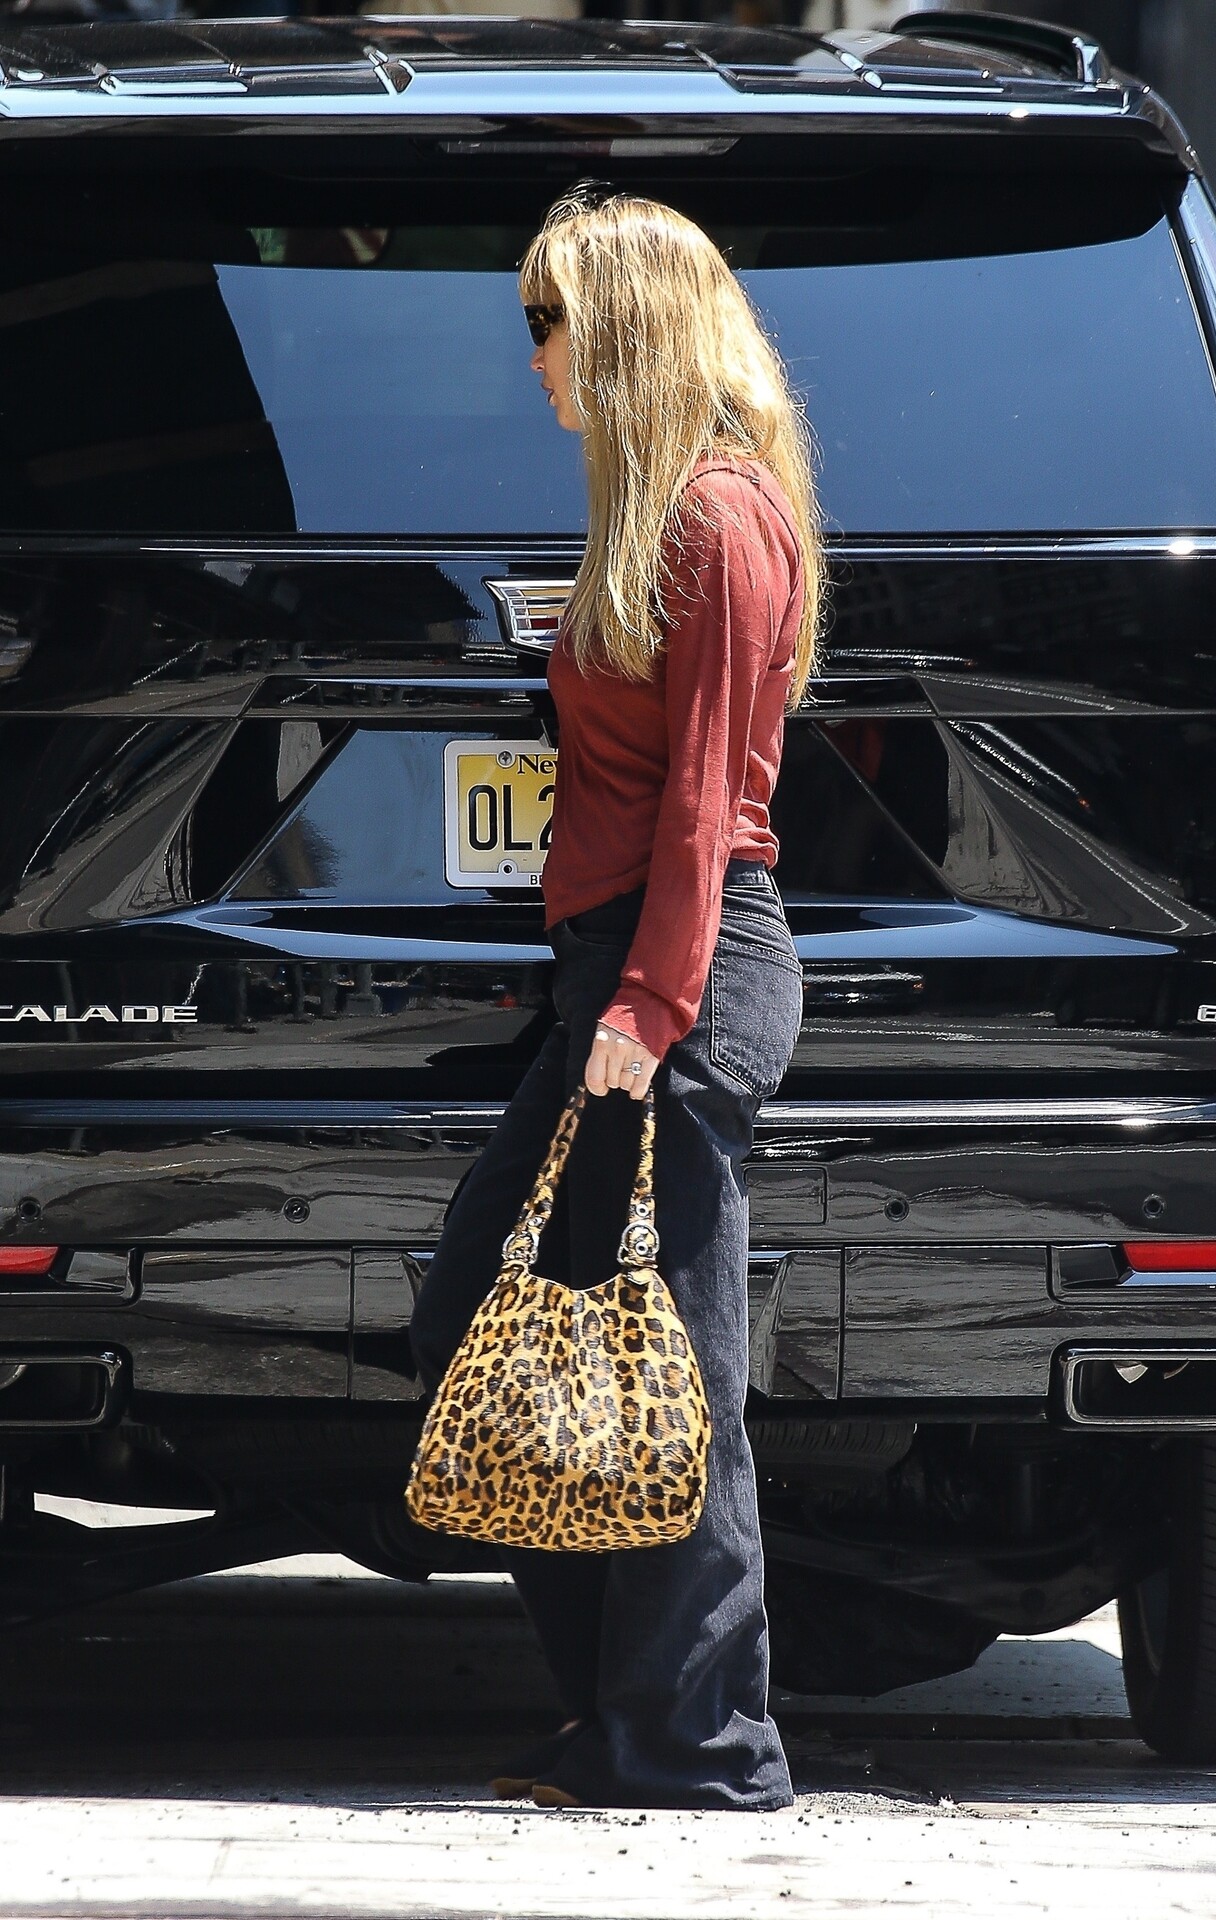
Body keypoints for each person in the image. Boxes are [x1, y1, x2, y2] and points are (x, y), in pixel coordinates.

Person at [408, 181, 825, 1812]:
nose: (534, 356)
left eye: (551, 321)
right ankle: (625, 1709)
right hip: (621, 971)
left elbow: (708, 808)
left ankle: (706, 1743)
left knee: (674, 1372)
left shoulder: (719, 518)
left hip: (689, 979)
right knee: (485, 1308)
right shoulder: (653, 517)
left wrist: (646, 1012)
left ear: (630, 327)